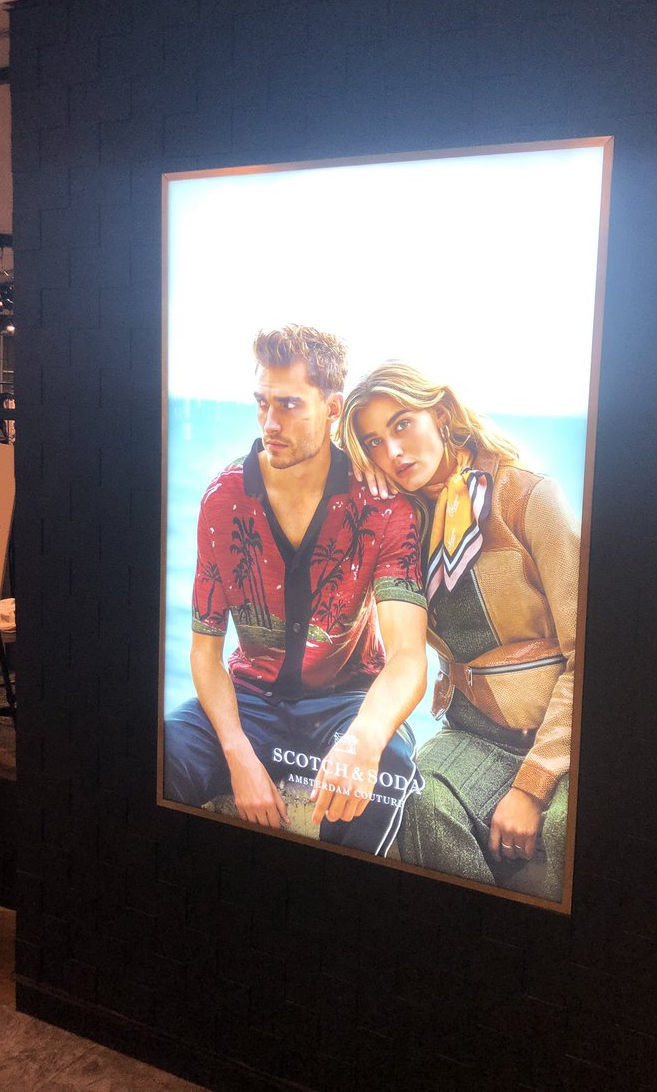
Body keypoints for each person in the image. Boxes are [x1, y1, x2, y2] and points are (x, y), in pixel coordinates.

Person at [163, 327, 428, 858]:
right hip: (248, 699)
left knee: (388, 770)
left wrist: (364, 738)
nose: (269, 422)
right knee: (159, 749)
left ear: (332, 408)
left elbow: (408, 656)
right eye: (262, 402)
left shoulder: (381, 508)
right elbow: (205, 651)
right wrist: (237, 753)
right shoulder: (223, 500)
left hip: (346, 703)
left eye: (288, 405)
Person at [340, 362, 578, 893]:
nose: (393, 452)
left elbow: (589, 657)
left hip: (559, 737)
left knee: (566, 826)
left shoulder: (528, 498)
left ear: (441, 414)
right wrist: (353, 481)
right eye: (373, 443)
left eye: (402, 424)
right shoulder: (401, 524)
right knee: (415, 799)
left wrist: (532, 786)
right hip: (471, 732)